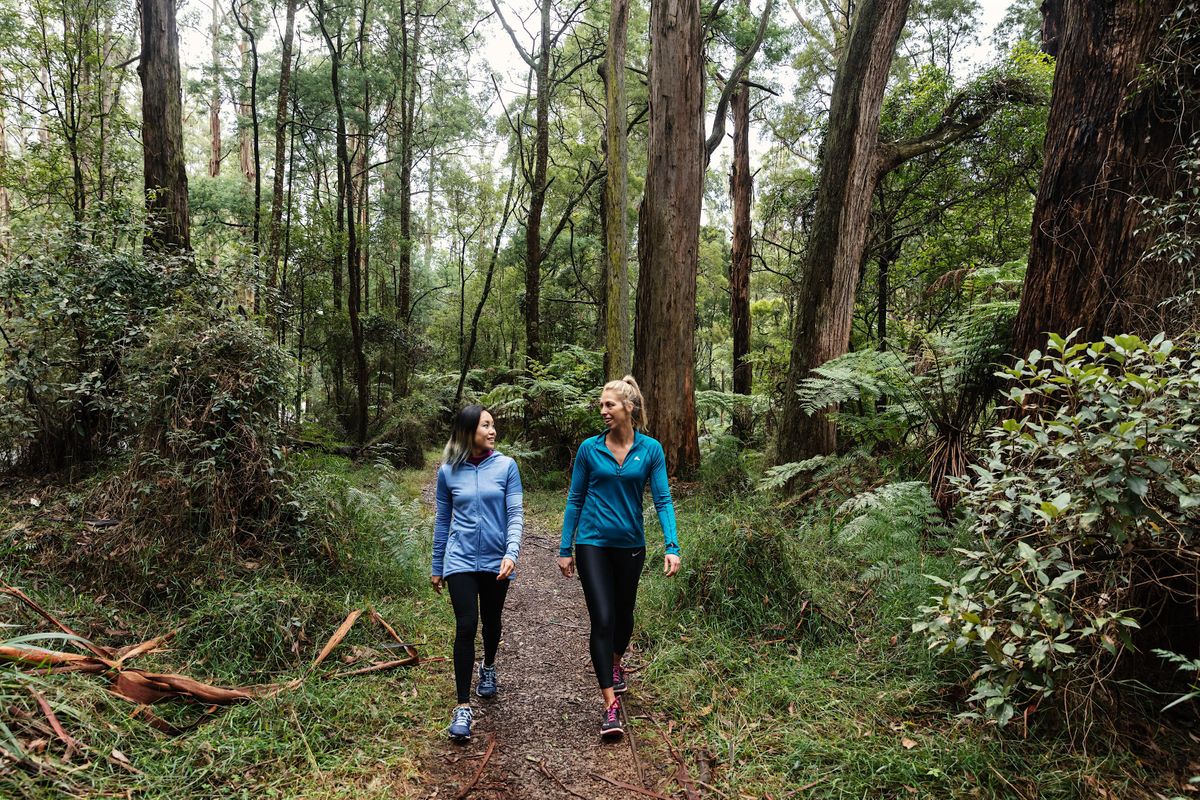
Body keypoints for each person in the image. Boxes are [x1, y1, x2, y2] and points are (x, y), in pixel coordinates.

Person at [558, 375, 681, 738]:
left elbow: (662, 500)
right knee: (603, 618)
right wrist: (566, 548)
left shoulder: (651, 450)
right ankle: (610, 706)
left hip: (631, 546)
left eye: (609, 404)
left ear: (629, 407)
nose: (603, 411)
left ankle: (615, 663)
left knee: (624, 616)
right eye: (601, 405)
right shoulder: (588, 449)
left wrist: (671, 546)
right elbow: (575, 499)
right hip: (592, 543)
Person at [431, 405, 524, 742]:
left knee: (492, 620)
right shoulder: (448, 472)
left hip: (498, 561)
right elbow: (443, 521)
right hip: (460, 560)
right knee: (466, 625)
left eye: (493, 425)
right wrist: (436, 565)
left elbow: (514, 513)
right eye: (486, 425)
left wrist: (511, 553)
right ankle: (462, 707)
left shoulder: (506, 467)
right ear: (469, 430)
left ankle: (488, 667)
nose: (492, 430)